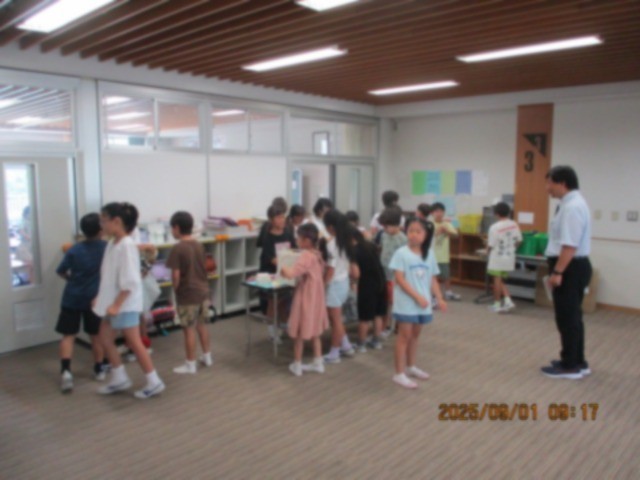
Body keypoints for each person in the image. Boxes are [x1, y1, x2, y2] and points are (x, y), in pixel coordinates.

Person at [94, 202, 165, 399]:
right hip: (113, 302)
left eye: (104, 220)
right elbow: (109, 276)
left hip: (124, 304)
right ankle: (119, 377)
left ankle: (154, 381)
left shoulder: (125, 246)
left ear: (116, 221)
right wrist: (101, 298)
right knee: (104, 337)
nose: (101, 225)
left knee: (134, 342)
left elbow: (130, 281)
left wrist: (117, 304)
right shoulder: (112, 243)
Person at [542, 166, 592, 380]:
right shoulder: (569, 204)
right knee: (573, 317)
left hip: (569, 268)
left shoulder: (572, 207)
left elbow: (569, 246)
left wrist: (557, 272)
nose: (547, 188)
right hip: (573, 266)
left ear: (562, 183)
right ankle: (577, 361)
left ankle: (570, 365)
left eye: (549, 183)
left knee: (567, 318)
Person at [389, 218, 447, 389]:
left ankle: (411, 366)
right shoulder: (401, 253)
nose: (413, 235)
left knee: (415, 336)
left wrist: (439, 298)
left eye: (418, 231)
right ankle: (399, 374)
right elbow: (399, 279)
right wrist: (417, 297)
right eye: (410, 231)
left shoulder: (429, 254)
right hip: (407, 303)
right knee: (404, 337)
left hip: (423, 304)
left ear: (426, 235)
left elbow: (433, 279)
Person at [55, 213, 107, 393]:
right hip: (95, 299)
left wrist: (71, 279)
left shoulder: (74, 249)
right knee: (96, 335)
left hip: (72, 297)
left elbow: (61, 271)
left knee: (68, 336)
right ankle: (99, 369)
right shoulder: (106, 248)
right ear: (101, 230)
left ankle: (66, 372)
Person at [166, 211, 213, 374]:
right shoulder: (199, 245)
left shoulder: (178, 248)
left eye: (172, 228)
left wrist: (176, 289)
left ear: (177, 228)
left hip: (187, 294)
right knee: (202, 325)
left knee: (188, 329)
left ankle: (190, 364)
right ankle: (207, 357)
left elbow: (175, 275)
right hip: (203, 292)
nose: (172, 231)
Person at [280, 223, 330, 376]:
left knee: (299, 331)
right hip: (316, 297)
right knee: (315, 332)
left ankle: (297, 365)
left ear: (306, 240)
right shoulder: (317, 254)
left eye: (298, 238)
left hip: (306, 297)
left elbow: (291, 273)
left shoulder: (306, 256)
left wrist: (282, 266)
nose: (296, 240)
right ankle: (318, 362)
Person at [322, 209, 357, 363]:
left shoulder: (332, 244)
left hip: (335, 284)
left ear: (330, 227)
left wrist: (323, 285)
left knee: (335, 321)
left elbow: (330, 270)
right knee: (336, 319)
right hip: (343, 282)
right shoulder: (346, 240)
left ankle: (334, 353)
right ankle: (346, 346)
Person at [259, 204, 296, 340]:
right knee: (273, 302)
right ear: (271, 219)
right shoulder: (267, 237)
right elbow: (272, 259)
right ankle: (271, 331)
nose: (282, 220)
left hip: (286, 272)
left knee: (284, 300)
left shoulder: (288, 233)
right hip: (272, 274)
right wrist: (287, 266)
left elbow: (294, 250)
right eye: (278, 217)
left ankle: (285, 326)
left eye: (283, 217)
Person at [351, 227, 387, 352]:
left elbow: (356, 274)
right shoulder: (370, 246)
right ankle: (376, 341)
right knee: (377, 314)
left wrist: (352, 280)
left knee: (364, 316)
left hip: (367, 285)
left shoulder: (354, 251)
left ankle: (361, 343)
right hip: (381, 282)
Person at [486, 202, 522, 313]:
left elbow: (491, 245)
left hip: (497, 258)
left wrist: (486, 251)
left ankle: (497, 304)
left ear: (496, 214)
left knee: (496, 280)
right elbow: (519, 240)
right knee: (501, 280)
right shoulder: (514, 224)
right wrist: (512, 248)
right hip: (509, 257)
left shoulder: (494, 227)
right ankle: (508, 300)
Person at [379, 206, 407, 338]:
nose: (384, 229)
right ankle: (387, 325)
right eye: (383, 226)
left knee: (396, 302)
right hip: (384, 273)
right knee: (386, 302)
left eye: (387, 226)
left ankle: (398, 325)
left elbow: (405, 260)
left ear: (396, 224)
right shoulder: (384, 235)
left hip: (396, 277)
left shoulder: (403, 239)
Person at [431, 202, 461, 301]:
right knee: (433, 276)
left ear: (444, 213)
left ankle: (448, 292)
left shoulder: (447, 224)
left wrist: (446, 231)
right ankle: (434, 295)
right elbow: (426, 237)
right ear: (432, 213)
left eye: (441, 211)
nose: (439, 213)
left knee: (446, 275)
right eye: (436, 211)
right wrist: (437, 232)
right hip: (432, 255)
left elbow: (456, 235)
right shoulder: (430, 224)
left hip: (444, 255)